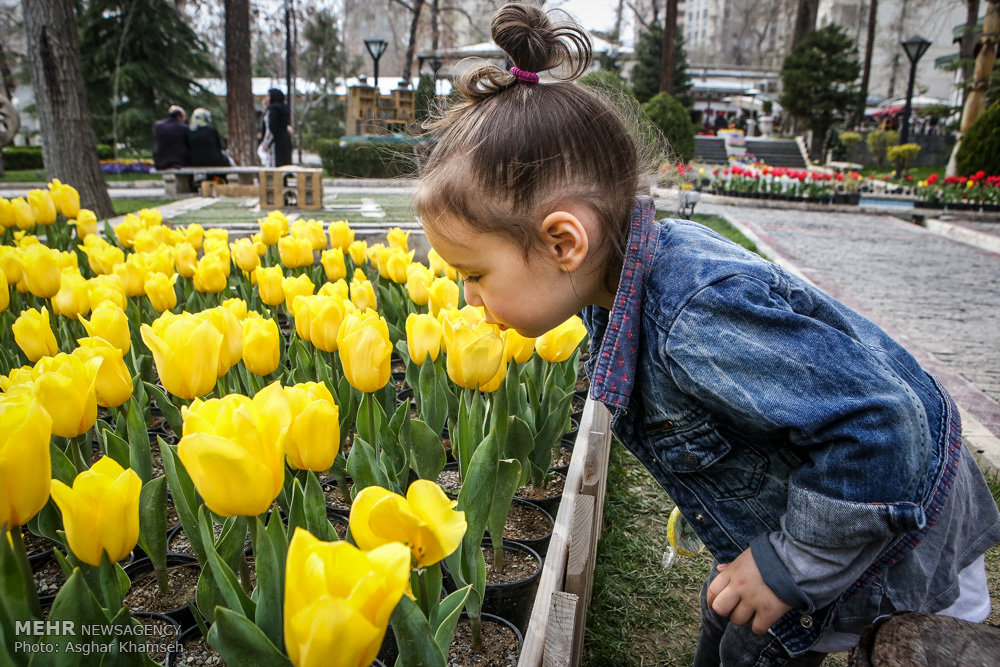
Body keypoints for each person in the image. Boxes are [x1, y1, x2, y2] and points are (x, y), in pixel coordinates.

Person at [413, 4, 1000, 666]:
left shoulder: (695, 318)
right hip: (823, 502)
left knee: (783, 618)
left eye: (475, 271)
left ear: (563, 241)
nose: (467, 295)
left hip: (897, 533)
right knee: (733, 615)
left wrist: (787, 563)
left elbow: (880, 427)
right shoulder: (624, 284)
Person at [260, 88, 292, 167]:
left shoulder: (273, 110)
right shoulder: (283, 109)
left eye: (268, 96)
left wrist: (267, 144)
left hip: (275, 145)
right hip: (284, 143)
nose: (266, 98)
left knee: (274, 168)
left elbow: (271, 129)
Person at [152, 105, 190, 170]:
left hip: (160, 163)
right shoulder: (184, 127)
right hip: (179, 163)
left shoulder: (158, 126)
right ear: (179, 116)